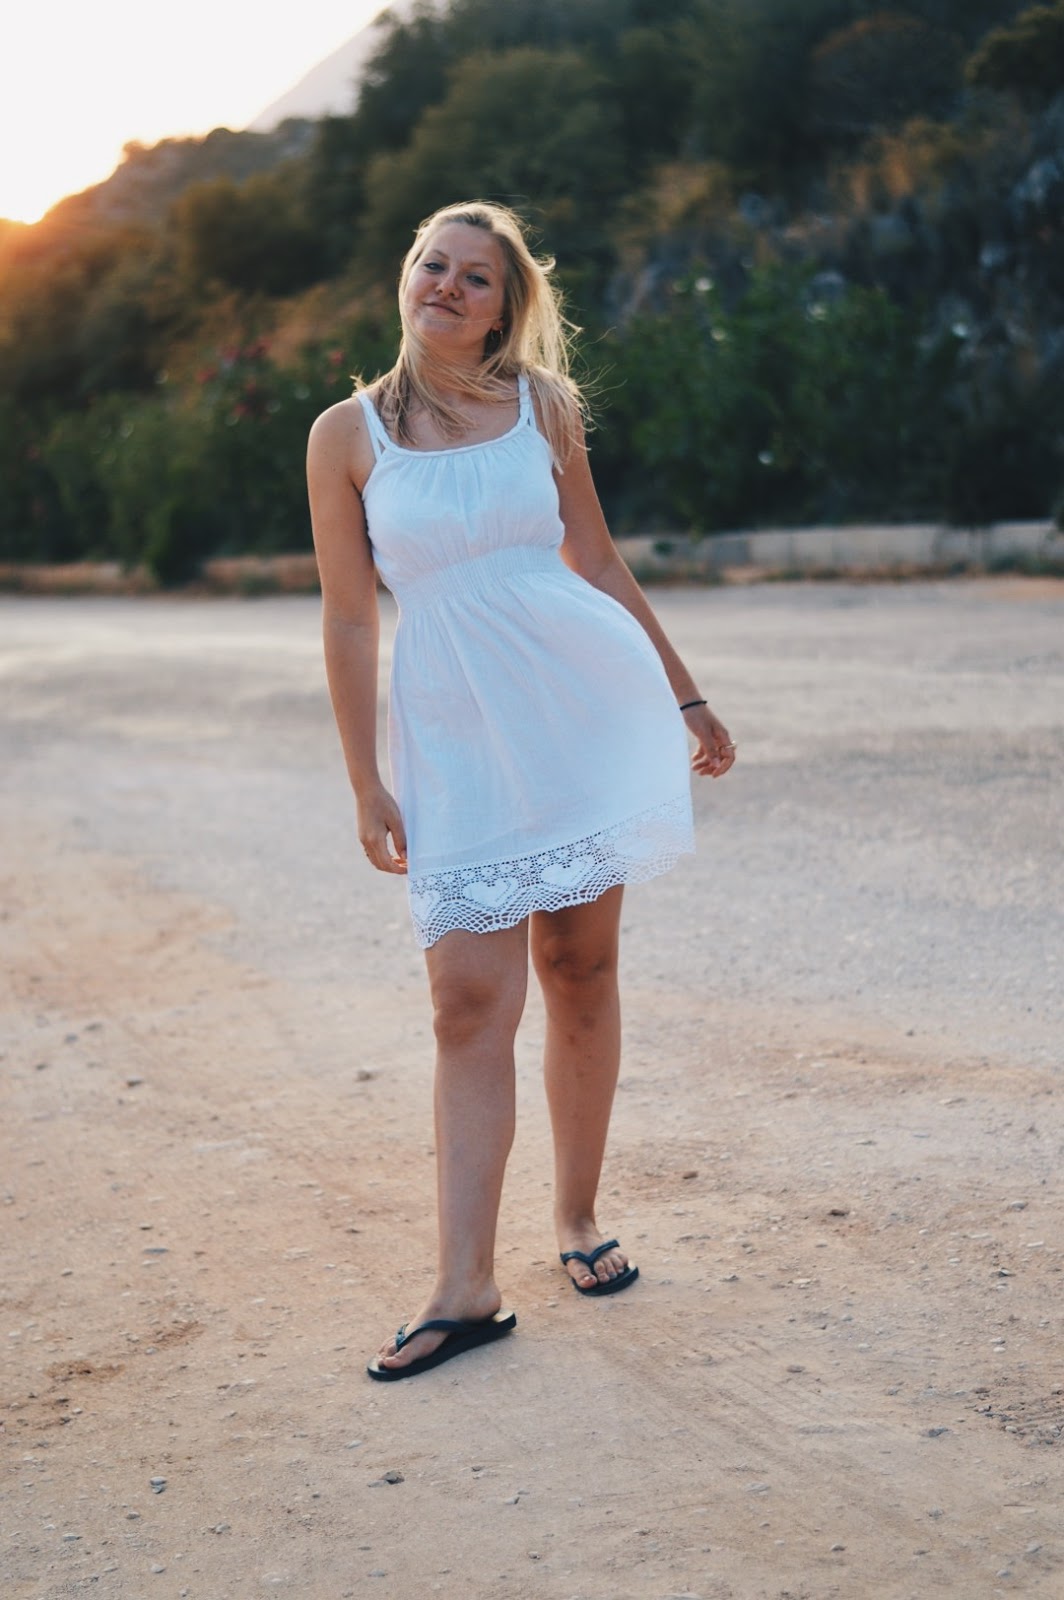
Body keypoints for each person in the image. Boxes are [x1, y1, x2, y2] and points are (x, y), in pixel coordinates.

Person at [306, 200, 735, 1381]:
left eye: (474, 276)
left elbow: (592, 558)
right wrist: (364, 777)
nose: (445, 285)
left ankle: (576, 1217)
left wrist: (684, 695)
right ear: (404, 279)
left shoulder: (543, 408)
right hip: (453, 736)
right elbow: (349, 618)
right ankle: (465, 1286)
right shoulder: (347, 434)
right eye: (430, 265)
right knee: (463, 1002)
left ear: (505, 306)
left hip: (575, 708)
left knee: (578, 969)